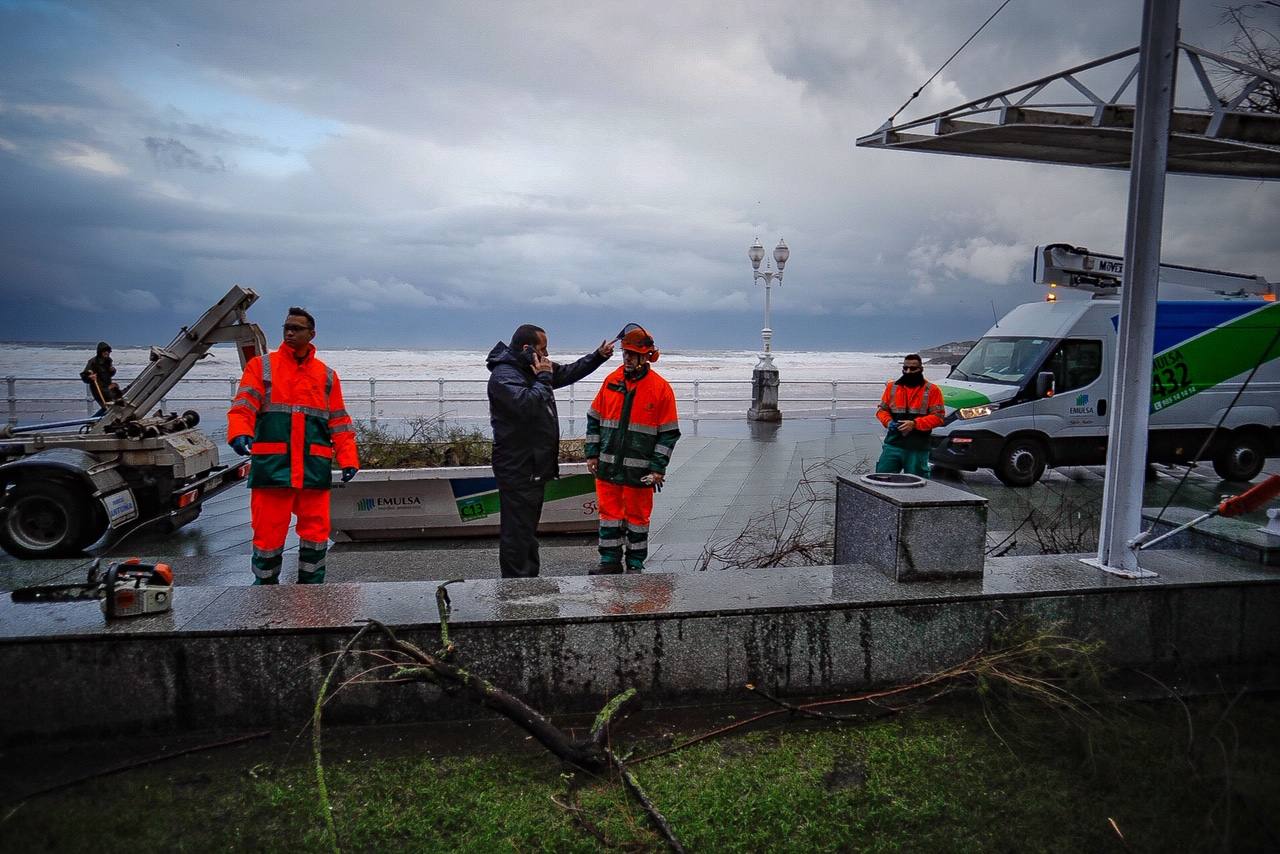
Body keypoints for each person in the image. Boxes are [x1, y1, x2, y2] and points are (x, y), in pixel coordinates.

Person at [227, 307, 359, 584]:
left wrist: (349, 457)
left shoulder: (326, 376)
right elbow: (243, 407)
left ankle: (311, 587)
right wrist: (239, 432)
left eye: (297, 328)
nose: (289, 332)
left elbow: (339, 421)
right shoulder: (262, 367)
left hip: (312, 467)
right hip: (273, 468)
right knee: (267, 533)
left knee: (315, 533)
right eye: (287, 327)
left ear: (311, 334)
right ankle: (264, 586)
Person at [487, 325, 614, 578]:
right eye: (543, 349)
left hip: (531, 464)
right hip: (517, 465)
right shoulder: (504, 376)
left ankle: (528, 577)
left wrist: (597, 356)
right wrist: (544, 378)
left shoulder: (530, 368)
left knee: (527, 529)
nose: (547, 354)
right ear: (527, 348)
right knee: (517, 530)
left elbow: (566, 373)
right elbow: (528, 405)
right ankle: (516, 582)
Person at [585, 324, 679, 574]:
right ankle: (609, 562)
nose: (626, 357)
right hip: (607, 467)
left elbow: (668, 434)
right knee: (609, 517)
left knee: (638, 520)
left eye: (631, 354)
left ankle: (635, 564)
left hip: (640, 471)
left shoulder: (660, 389)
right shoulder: (611, 381)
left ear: (645, 356)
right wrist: (592, 454)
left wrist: (658, 468)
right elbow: (594, 418)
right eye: (625, 353)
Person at [875, 353, 945, 478]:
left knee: (917, 484)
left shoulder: (932, 390)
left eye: (913, 368)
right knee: (882, 478)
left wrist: (914, 424)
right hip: (893, 444)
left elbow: (938, 417)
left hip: (917, 447)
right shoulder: (892, 387)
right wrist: (888, 422)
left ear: (921, 369)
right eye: (905, 368)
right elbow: (881, 411)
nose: (908, 371)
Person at [80, 341, 123, 406]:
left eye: (108, 351)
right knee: (111, 401)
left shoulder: (108, 361)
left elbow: (108, 375)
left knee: (116, 388)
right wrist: (90, 377)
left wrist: (112, 371)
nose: (107, 353)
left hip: (107, 386)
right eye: (104, 351)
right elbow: (84, 376)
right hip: (99, 389)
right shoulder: (93, 362)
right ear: (100, 352)